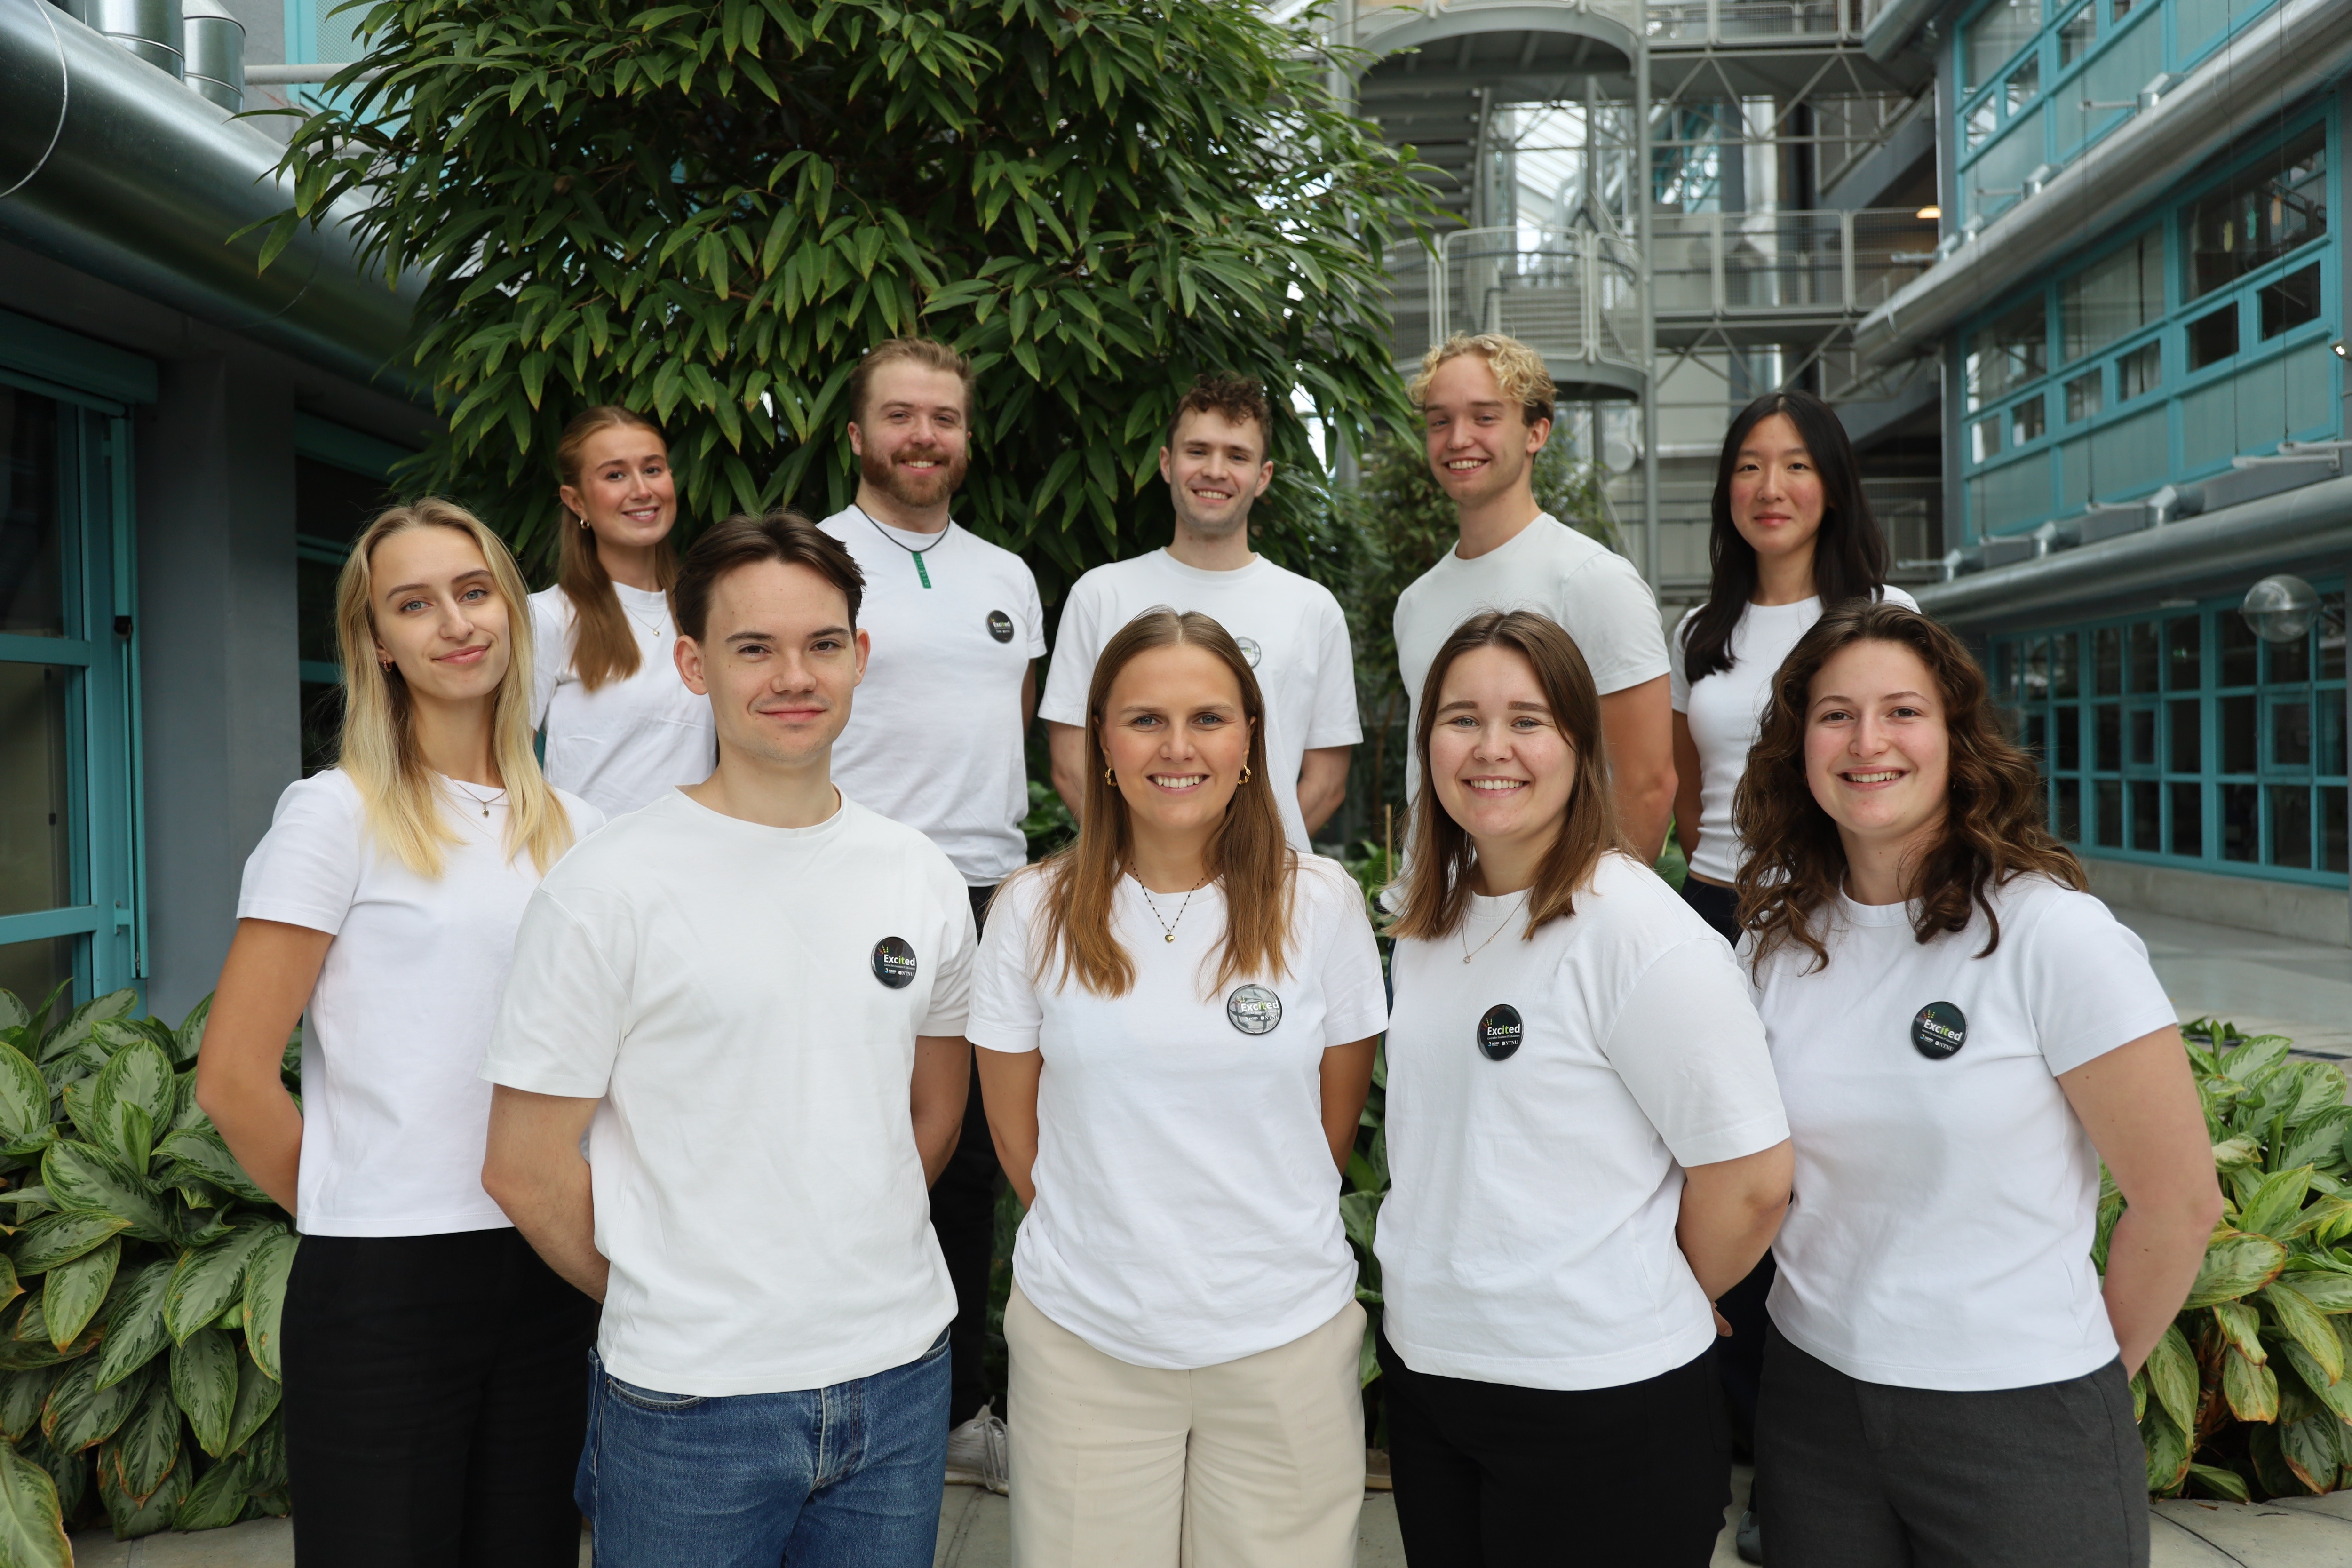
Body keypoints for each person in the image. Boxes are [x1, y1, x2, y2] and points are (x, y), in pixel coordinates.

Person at [480, 514, 976, 1567]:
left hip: (897, 1379)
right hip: (689, 1402)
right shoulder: (608, 885)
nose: (793, 676)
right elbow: (523, 1167)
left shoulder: (919, 874)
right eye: (754, 648)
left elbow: (931, 1114)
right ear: (694, 664)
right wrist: (676, 1288)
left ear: (860, 655)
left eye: (823, 644)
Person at [1735, 599, 2222, 1568]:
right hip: (1814, 1399)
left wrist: (2076, 1379)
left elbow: (2180, 1203)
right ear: (1798, 746)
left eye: (1902, 711)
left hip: (2019, 1415)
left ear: (1958, 737)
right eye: (1834, 714)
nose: (1867, 740)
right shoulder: (1775, 942)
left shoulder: (2053, 935)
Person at [198, 500, 604, 1567]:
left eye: (474, 594)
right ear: (377, 641)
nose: (454, 624)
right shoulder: (334, 816)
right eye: (413, 605)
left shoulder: (587, 832)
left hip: (553, 1267)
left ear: (513, 615)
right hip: (383, 1284)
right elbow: (233, 1079)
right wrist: (355, 1209)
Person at [1375, 609, 1793, 1568]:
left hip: (1598, 1399)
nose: (1491, 748)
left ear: (1576, 742)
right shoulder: (1428, 914)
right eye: (1459, 717)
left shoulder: (1637, 931)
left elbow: (1752, 1176)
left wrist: (1652, 1285)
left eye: (1527, 720)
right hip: (1435, 1377)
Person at [972, 609, 1386, 1567]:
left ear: (1250, 738)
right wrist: (1121, 1233)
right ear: (1100, 743)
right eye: (1144, 718)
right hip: (1088, 1335)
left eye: (1208, 717)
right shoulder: (1031, 910)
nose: (1177, 746)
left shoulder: (1320, 905)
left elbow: (1326, 1129)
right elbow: (1017, 1134)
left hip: (1281, 1335)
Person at [1665, 389, 1915, 1560]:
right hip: (1714, 920)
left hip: (1828, 919)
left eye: (1795, 465)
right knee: (1716, 1176)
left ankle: (1802, 1472)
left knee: (1811, 1175)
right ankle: (1719, 1443)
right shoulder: (1699, 632)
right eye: (1749, 467)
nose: (1770, 487)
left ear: (1831, 484)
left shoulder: (1880, 612)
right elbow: (1680, 790)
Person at [818, 338, 1042, 1483]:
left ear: (964, 437)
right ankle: (827, 1371)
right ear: (857, 434)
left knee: (970, 1162)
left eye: (943, 418)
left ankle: (955, 1409)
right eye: (899, 416)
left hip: (989, 890)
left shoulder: (1009, 575)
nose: (923, 436)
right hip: (851, 881)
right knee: (843, 1125)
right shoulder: (811, 558)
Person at [1043, 373, 1359, 850]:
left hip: (1269, 889)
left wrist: (1242, 861)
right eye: (1197, 451)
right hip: (1127, 886)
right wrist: (1147, 861)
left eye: (1236, 456)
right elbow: (1070, 764)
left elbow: (1327, 780)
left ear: (1262, 476)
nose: (1214, 470)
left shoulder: (1312, 608)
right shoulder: (1100, 595)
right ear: (1167, 464)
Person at [1393, 334, 1675, 861]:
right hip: (1435, 912)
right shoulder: (1415, 601)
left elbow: (1646, 784)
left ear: (1535, 432)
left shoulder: (1593, 581)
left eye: (1484, 417)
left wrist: (1589, 916)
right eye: (1439, 421)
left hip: (1551, 913)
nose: (1457, 439)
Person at [530, 406, 715, 817]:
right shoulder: (548, 616)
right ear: (576, 501)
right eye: (615, 475)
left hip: (697, 866)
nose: (642, 490)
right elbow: (498, 767)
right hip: (588, 869)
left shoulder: (708, 616)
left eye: (653, 469)